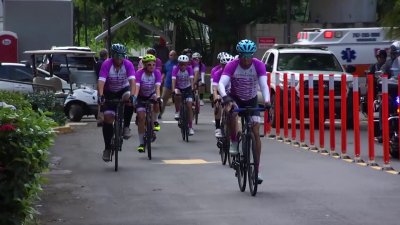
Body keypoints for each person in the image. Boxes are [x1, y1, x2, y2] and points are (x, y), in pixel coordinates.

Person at [218, 39, 270, 183]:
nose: (246, 60)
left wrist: (267, 102)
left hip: (251, 98)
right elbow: (222, 84)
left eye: (249, 56)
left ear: (252, 55)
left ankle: (257, 170)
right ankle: (234, 142)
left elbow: (264, 85)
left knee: (255, 132)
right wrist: (225, 98)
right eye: (243, 56)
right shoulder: (232, 65)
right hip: (235, 97)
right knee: (232, 112)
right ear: (239, 55)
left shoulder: (258, 65)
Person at [98, 43, 136, 162]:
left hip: (123, 89)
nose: (119, 59)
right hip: (109, 91)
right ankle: (107, 148)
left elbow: (132, 82)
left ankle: (126, 127)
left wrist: (133, 95)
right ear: (112, 55)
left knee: (129, 99)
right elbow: (101, 81)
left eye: (122, 56)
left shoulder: (128, 64)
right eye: (117, 56)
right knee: (108, 119)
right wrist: (101, 95)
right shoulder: (106, 64)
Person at [133, 54, 162, 152]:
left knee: (157, 102)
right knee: (141, 118)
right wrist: (135, 98)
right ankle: (141, 143)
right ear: (145, 65)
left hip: (151, 94)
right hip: (141, 97)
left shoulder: (157, 73)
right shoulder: (139, 73)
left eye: (153, 65)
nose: (152, 67)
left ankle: (155, 121)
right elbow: (136, 88)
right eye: (149, 65)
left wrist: (158, 97)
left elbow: (157, 88)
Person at [172, 55, 195, 135]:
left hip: (187, 88)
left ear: (187, 64)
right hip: (178, 87)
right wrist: (173, 90)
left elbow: (191, 79)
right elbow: (173, 80)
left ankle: (190, 127)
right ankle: (177, 111)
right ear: (179, 64)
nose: (183, 66)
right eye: (181, 64)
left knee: (189, 106)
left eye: (184, 64)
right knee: (177, 95)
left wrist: (192, 89)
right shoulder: (175, 69)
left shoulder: (189, 69)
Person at [212, 53, 234, 137]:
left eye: (228, 65)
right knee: (217, 104)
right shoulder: (217, 73)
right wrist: (216, 97)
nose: (226, 67)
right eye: (224, 65)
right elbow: (215, 89)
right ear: (221, 64)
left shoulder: (234, 73)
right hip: (220, 93)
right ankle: (218, 128)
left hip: (231, 94)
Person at [160, 50, 178, 119]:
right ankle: (160, 114)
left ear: (176, 56)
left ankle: (178, 112)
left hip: (177, 85)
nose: (172, 56)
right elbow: (164, 73)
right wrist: (161, 79)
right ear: (169, 56)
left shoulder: (179, 64)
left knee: (178, 99)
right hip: (167, 84)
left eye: (174, 55)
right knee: (163, 99)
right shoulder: (166, 64)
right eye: (171, 55)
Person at [95, 48, 108, 127]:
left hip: (98, 82)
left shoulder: (97, 63)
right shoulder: (105, 63)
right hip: (105, 83)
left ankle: (100, 119)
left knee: (100, 100)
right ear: (106, 55)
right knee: (107, 100)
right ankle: (104, 119)